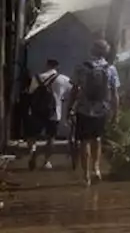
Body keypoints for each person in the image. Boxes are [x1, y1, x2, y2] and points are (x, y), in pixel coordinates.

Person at [68, 39, 121, 185]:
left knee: (84, 142)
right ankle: (96, 169)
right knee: (97, 139)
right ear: (106, 52)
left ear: (92, 50)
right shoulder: (110, 69)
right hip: (102, 109)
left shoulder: (81, 67)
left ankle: (86, 176)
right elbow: (115, 93)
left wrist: (69, 108)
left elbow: (74, 90)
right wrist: (116, 112)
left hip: (84, 109)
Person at [26, 59, 72, 171]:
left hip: (37, 111)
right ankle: (46, 161)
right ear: (57, 66)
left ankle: (33, 150)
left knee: (32, 135)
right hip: (54, 112)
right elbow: (74, 90)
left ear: (47, 65)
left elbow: (30, 92)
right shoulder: (63, 79)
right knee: (51, 137)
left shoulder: (36, 78)